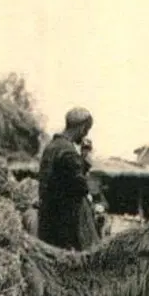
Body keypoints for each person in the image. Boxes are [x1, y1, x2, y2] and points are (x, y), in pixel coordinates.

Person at [38, 107, 97, 251]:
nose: (85, 134)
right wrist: (85, 162)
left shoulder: (51, 147)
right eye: (86, 130)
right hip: (64, 226)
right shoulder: (68, 152)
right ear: (82, 127)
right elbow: (81, 187)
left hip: (46, 218)